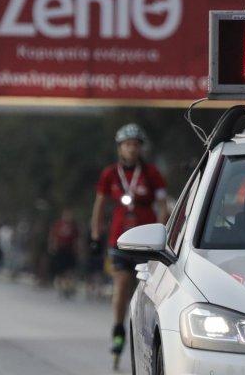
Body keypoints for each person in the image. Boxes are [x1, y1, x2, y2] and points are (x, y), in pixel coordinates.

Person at [90, 123, 168, 359]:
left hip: (146, 240)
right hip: (119, 239)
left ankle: (146, 336)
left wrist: (161, 231)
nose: (132, 150)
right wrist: (95, 235)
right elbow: (100, 206)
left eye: (136, 145)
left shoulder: (152, 173)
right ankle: (118, 330)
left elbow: (164, 206)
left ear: (141, 148)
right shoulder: (110, 174)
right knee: (122, 285)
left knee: (146, 290)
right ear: (120, 149)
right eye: (127, 145)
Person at [48, 209, 80, 298]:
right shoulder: (58, 225)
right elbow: (53, 236)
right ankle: (61, 287)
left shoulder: (74, 227)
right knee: (60, 271)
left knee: (69, 271)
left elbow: (77, 239)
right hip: (60, 249)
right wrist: (52, 245)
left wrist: (77, 249)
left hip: (69, 250)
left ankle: (68, 287)